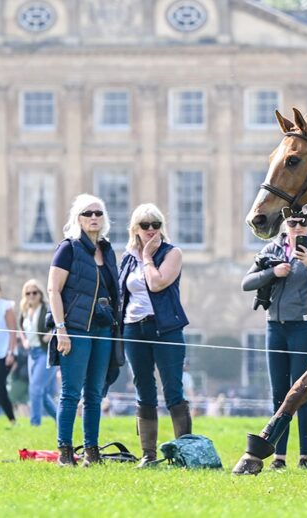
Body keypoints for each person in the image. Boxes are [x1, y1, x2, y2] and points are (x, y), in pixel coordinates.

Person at [242, 211, 307, 470]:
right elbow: (247, 282)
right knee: (279, 393)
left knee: (302, 392)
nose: (298, 227)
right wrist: (273, 272)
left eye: (303, 222)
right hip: (275, 327)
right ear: (284, 224)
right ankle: (278, 456)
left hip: (303, 327)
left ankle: (305, 457)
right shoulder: (272, 248)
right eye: (292, 222)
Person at [47, 194, 120, 467]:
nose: (94, 218)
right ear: (78, 218)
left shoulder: (107, 249)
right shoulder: (68, 248)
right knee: (70, 393)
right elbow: (53, 289)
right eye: (88, 213)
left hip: (103, 328)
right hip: (76, 328)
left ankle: (92, 451)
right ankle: (65, 452)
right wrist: (61, 329)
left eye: (98, 213)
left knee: (95, 394)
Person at [119, 204, 193, 467]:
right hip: (133, 328)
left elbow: (157, 283)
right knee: (143, 388)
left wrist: (148, 257)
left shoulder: (172, 253)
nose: (151, 229)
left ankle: (185, 453)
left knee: (173, 388)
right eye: (145, 225)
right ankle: (148, 454)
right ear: (135, 229)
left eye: (156, 224)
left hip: (165, 328)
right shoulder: (127, 258)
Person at [18, 279, 57, 426]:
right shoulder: (24, 311)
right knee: (41, 392)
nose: (31, 296)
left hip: (45, 353)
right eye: (28, 293)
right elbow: (20, 327)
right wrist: (24, 340)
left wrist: (51, 333)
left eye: (34, 292)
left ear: (40, 294)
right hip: (32, 354)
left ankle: (35, 424)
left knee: (35, 388)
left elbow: (58, 324)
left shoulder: (47, 308)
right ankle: (61, 420)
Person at [0, 278, 19, 425]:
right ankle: (12, 420)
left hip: (5, 354)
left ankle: (12, 420)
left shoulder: (5, 306)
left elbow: (13, 332)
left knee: (0, 387)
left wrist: (10, 353)